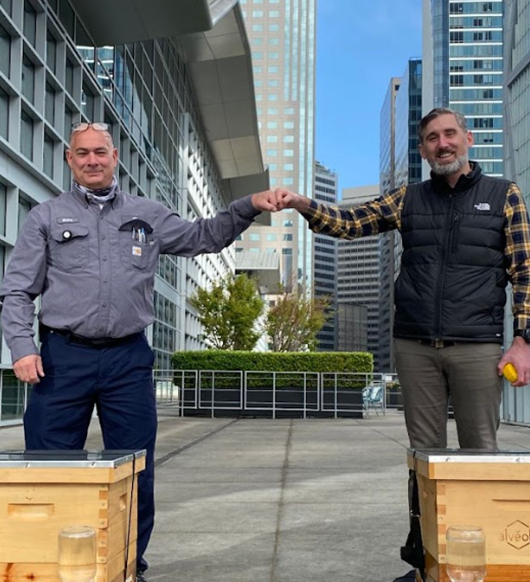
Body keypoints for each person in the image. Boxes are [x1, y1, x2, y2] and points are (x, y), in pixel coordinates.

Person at [0, 122, 278, 581]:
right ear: (70, 159)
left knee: (133, 470)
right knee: (50, 469)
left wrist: (247, 205)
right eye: (82, 153)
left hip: (127, 361)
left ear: (115, 158)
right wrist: (22, 348)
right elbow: (16, 291)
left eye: (100, 152)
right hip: (61, 359)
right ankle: (49, 569)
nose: (92, 160)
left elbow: (204, 237)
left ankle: (128, 567)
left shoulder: (147, 215)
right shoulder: (46, 217)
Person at [276, 107, 530, 451]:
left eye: (450, 134)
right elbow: (351, 222)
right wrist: (302, 203)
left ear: (468, 139)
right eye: (432, 138)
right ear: (423, 151)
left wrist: (522, 341)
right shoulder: (407, 198)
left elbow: (524, 270)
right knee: (424, 453)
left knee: (481, 451)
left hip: (477, 344)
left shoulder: (504, 195)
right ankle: (420, 492)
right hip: (415, 345)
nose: (443, 144)